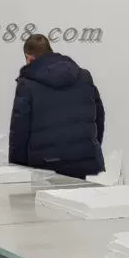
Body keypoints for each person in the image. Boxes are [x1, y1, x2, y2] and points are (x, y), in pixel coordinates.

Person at [8, 34, 105, 179]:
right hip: (79, 162)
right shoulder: (84, 76)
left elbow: (20, 130)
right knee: (76, 194)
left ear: (29, 58)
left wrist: (17, 167)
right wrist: (89, 149)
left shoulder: (27, 84)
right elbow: (99, 117)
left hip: (43, 165)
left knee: (44, 195)